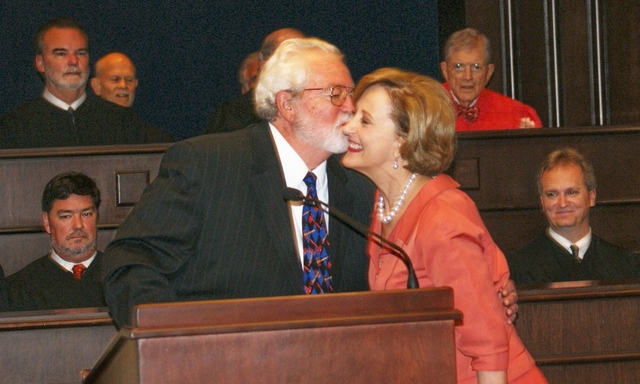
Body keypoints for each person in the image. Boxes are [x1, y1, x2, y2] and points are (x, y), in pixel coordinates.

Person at [103, 38, 519, 329]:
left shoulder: (362, 184)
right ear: (287, 103)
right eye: (336, 93)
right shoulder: (208, 164)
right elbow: (131, 264)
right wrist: (172, 340)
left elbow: (425, 254)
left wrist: (488, 287)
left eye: (351, 93)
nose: (350, 107)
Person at [342, 68, 546, 383]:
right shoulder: (383, 203)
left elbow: (487, 345)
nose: (348, 127)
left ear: (403, 140)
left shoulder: (442, 217)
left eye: (364, 120)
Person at [0, 18, 158, 149]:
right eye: (61, 53)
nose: (73, 61)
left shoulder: (122, 121)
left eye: (80, 53)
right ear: (40, 63)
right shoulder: (14, 127)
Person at [507, 148, 640, 284]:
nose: (562, 203)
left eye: (571, 192)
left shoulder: (625, 264)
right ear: (542, 201)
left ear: (591, 197)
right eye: (552, 194)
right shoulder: (517, 267)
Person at [7, 172, 106, 311]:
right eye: (66, 216)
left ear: (97, 217)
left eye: (86, 214)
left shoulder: (125, 277)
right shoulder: (16, 289)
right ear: (47, 222)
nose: (78, 225)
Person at [204, 28, 305, 134]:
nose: (300, 65)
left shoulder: (314, 101)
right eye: (291, 57)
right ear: (266, 65)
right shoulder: (235, 114)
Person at [440, 28, 543, 131]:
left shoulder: (517, 115)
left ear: (489, 72)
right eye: (458, 67)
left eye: (476, 67)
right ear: (445, 70)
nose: (468, 77)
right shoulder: (426, 109)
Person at [90, 51, 174, 142]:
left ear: (136, 84)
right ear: (97, 85)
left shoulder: (155, 139)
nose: (123, 85)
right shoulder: (84, 135)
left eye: (129, 80)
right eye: (115, 79)